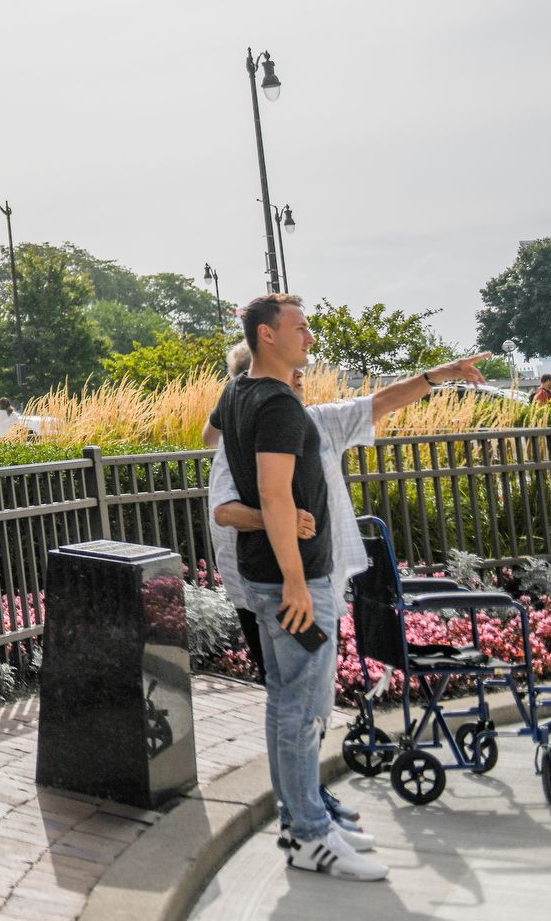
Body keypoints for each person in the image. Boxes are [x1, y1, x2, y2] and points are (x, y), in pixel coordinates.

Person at [203, 338, 490, 863]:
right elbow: (225, 509)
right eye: (291, 373)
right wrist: (279, 520)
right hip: (269, 586)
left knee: (306, 705)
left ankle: (307, 806)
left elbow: (379, 402)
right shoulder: (246, 433)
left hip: (318, 579)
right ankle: (306, 822)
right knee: (298, 705)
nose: (302, 376)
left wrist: (438, 375)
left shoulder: (314, 420)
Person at [210, 296, 370, 880]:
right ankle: (310, 833)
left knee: (286, 703)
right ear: (265, 335)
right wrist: (299, 584)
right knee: (303, 710)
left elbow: (241, 469)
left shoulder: (236, 394)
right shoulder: (276, 404)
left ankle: (299, 822)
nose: (308, 337)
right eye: (298, 327)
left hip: (264, 574)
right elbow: (274, 495)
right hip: (290, 579)